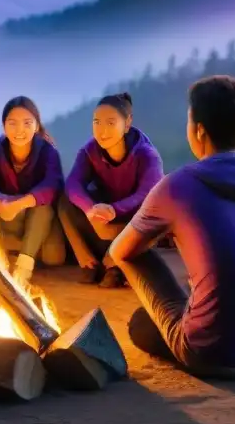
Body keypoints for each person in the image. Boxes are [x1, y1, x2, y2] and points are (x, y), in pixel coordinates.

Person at [108, 75, 235, 378]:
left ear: (199, 130)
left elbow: (120, 251)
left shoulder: (178, 185)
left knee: (140, 323)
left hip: (217, 355)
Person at [59, 92, 164, 288]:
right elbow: (73, 183)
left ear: (127, 124)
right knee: (64, 200)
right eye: (96, 122)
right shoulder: (90, 151)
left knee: (152, 219)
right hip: (102, 221)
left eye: (110, 123)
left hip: (132, 226)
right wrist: (90, 209)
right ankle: (89, 263)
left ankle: (114, 265)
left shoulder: (147, 155)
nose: (102, 131)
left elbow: (147, 195)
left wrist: (114, 209)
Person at [0, 96, 65, 284]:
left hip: (38, 228)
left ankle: (23, 266)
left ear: (37, 126)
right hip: (7, 221)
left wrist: (19, 203)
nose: (19, 130)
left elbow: (53, 185)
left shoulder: (47, 152)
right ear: (4, 126)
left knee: (44, 208)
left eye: (27, 123)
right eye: (12, 123)